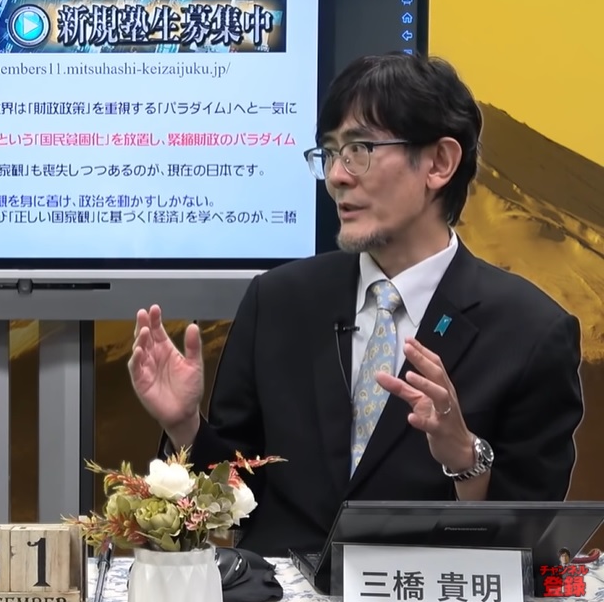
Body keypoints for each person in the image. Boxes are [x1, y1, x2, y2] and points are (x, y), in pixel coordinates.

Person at [128, 52, 584, 558]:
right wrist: (184, 426)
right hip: (281, 590)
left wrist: (464, 456)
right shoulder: (278, 300)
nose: (337, 177)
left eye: (360, 149)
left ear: (439, 163)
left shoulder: (531, 331)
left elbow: (528, 539)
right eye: (329, 153)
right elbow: (238, 493)